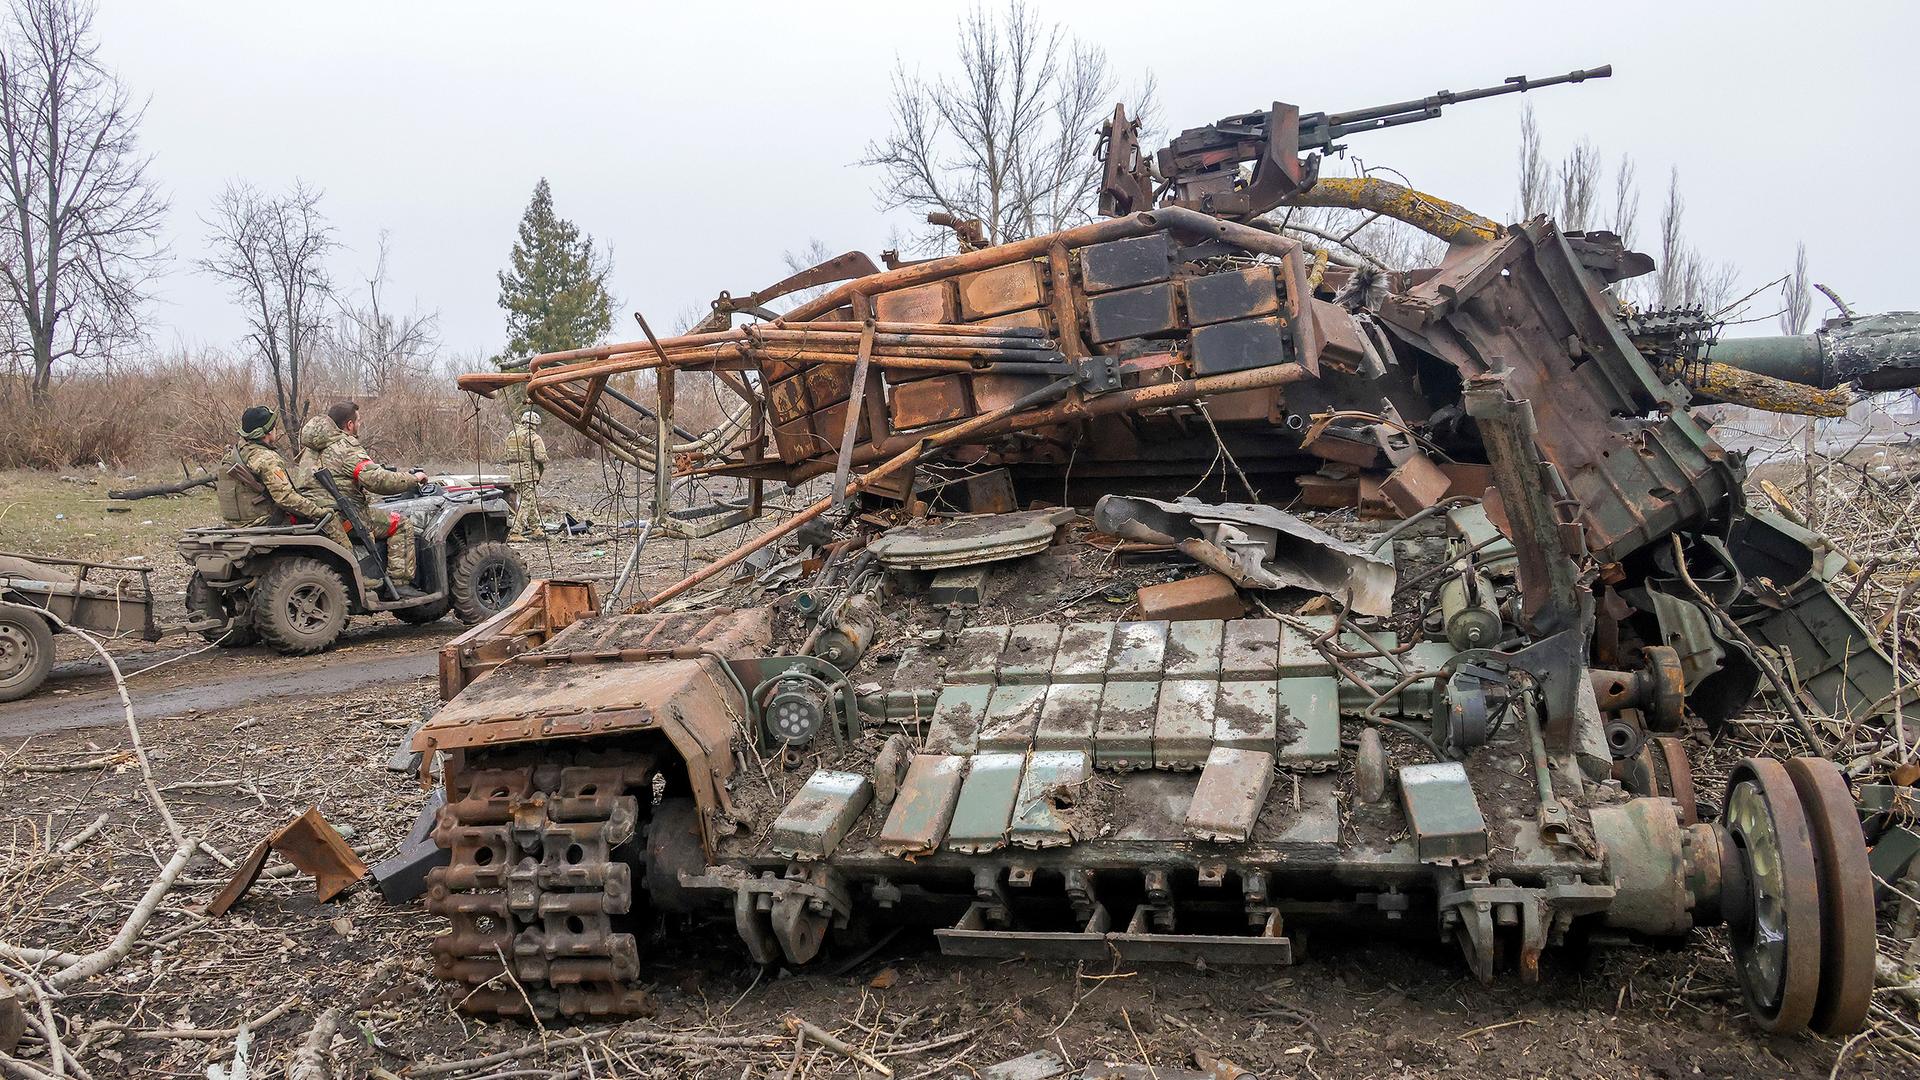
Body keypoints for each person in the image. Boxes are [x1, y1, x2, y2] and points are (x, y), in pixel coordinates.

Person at [318, 401, 429, 597]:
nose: (360, 424)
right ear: (349, 424)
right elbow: (378, 481)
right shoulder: (346, 448)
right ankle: (400, 584)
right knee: (401, 524)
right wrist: (414, 478)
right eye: (358, 420)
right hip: (347, 516)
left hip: (324, 513)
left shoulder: (314, 447)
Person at [218, 406, 347, 547]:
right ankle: (349, 557)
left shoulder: (232, 455)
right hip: (261, 523)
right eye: (273, 427)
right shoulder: (265, 458)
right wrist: (319, 511)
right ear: (267, 432)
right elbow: (285, 498)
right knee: (331, 522)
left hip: (235, 525)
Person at [503, 409, 549, 540]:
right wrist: (545, 459)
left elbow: (506, 454)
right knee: (527, 501)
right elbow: (540, 457)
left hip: (515, 474)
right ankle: (515, 531)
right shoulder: (534, 437)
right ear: (534, 424)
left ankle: (536, 528)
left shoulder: (512, 435)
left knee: (530, 500)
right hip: (528, 473)